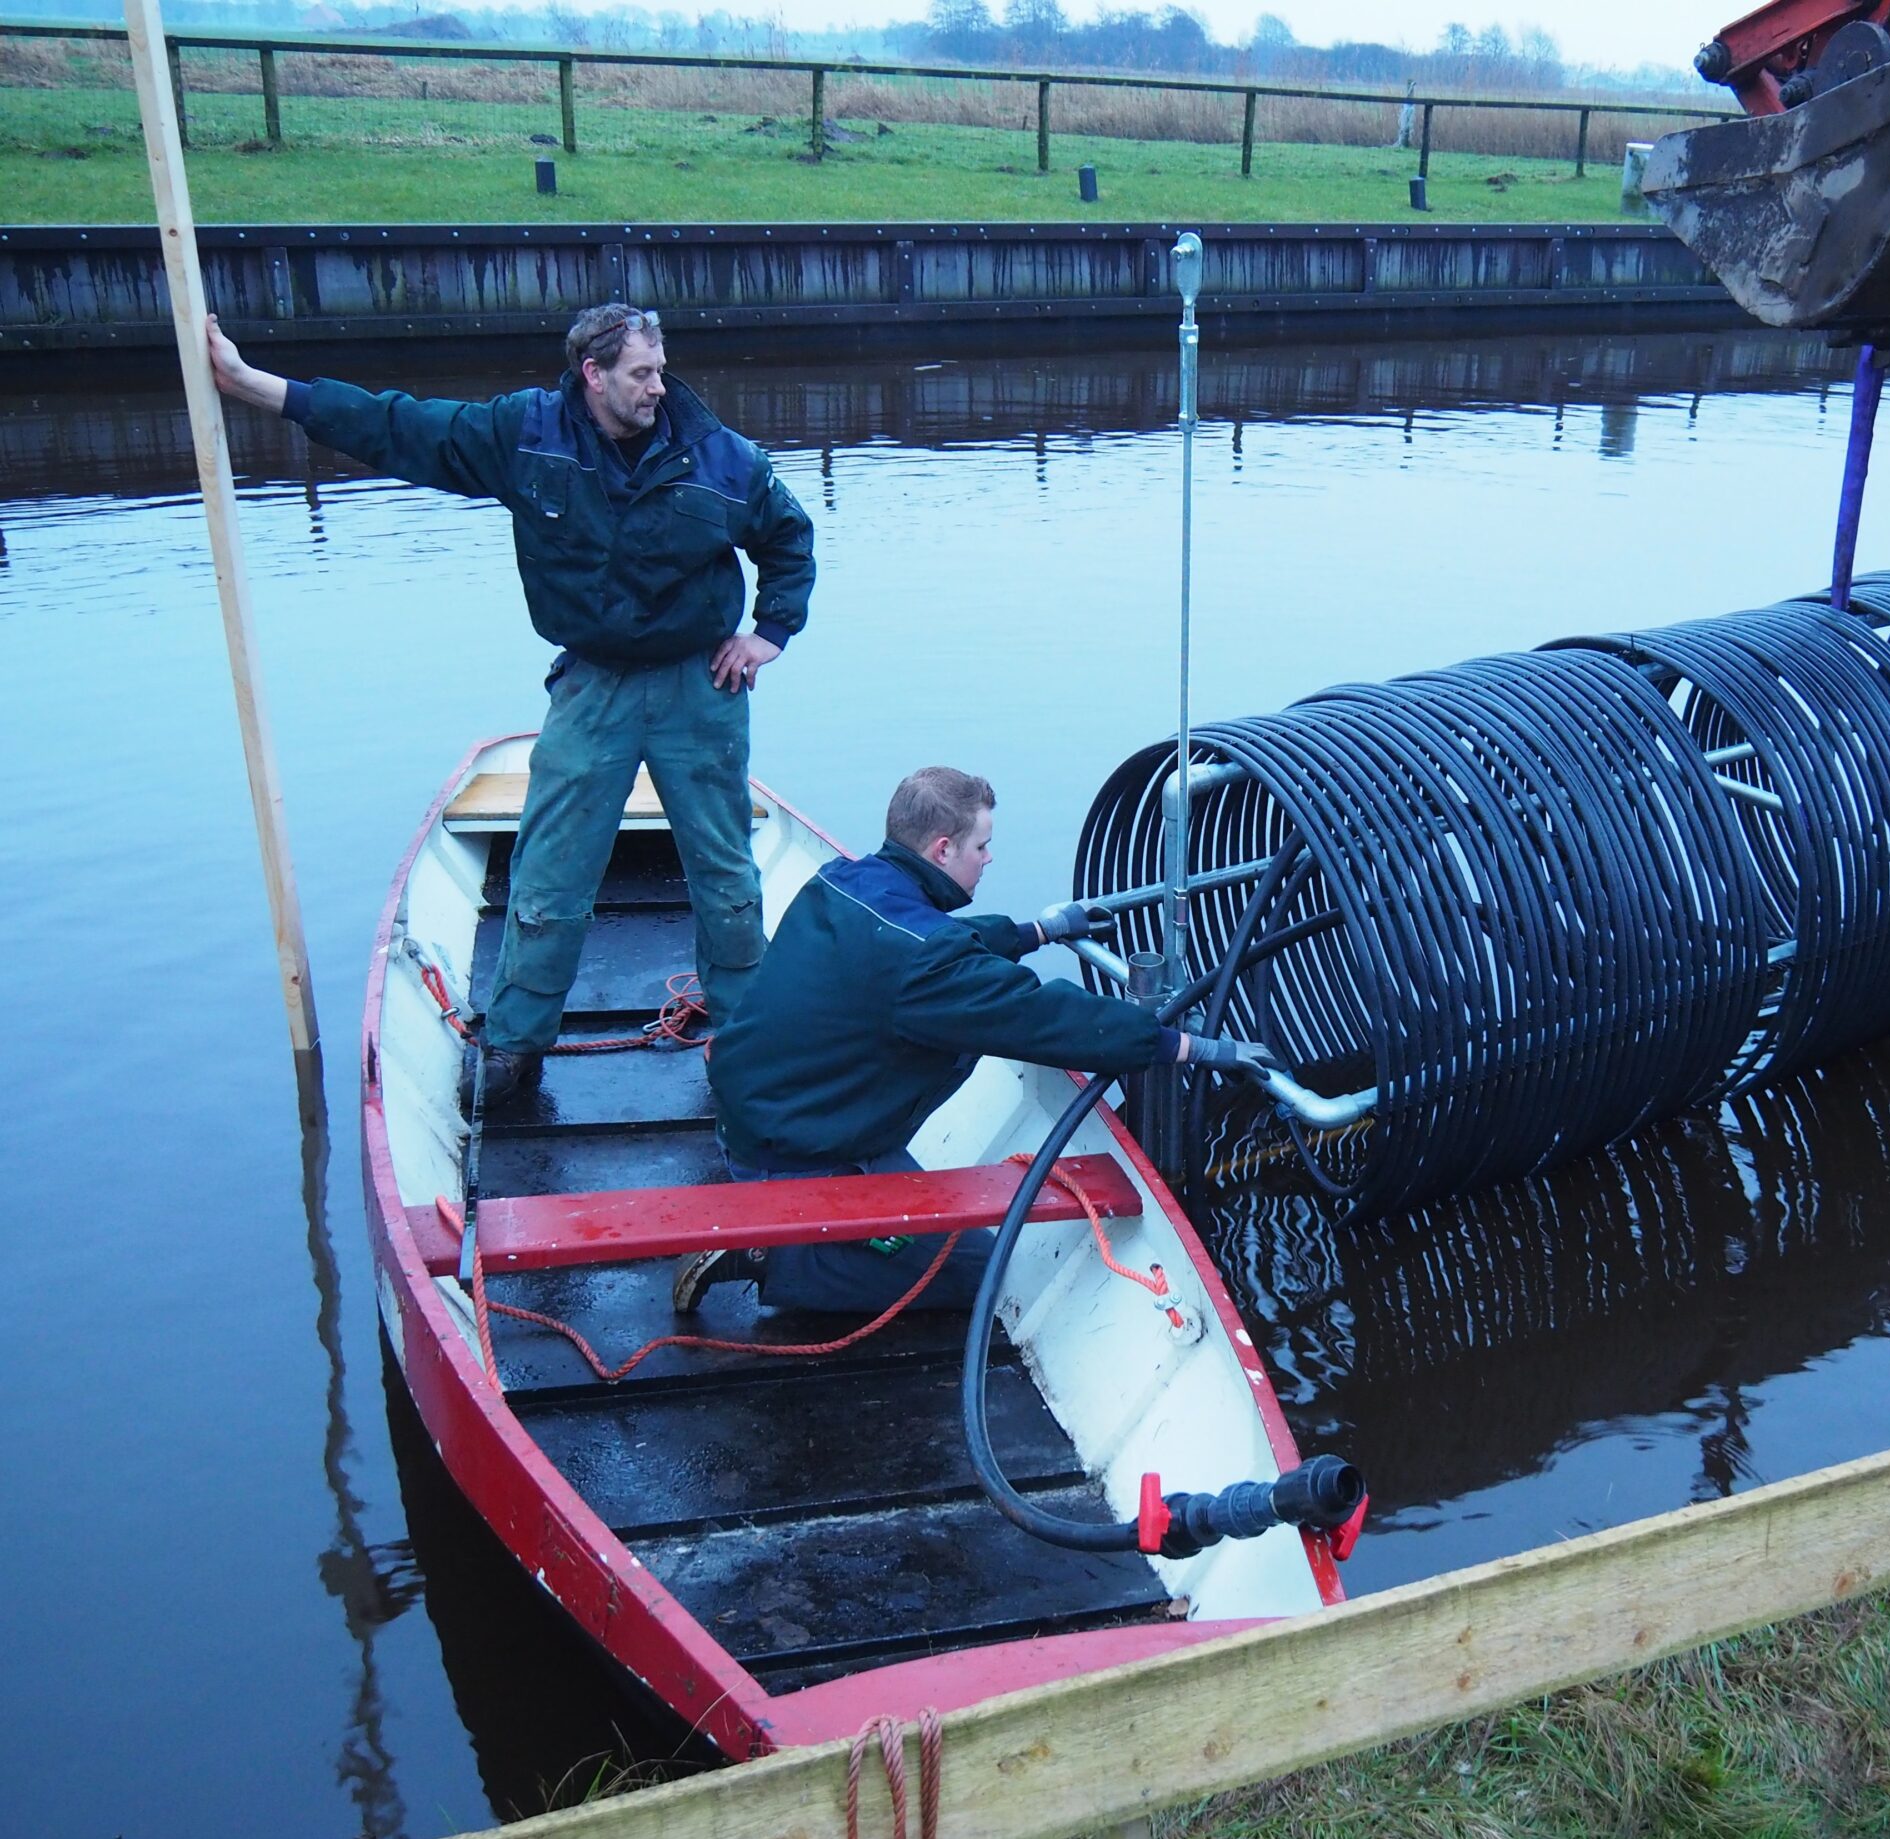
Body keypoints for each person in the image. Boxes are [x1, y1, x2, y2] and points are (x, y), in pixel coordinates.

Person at [205, 303, 816, 1105]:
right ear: (592, 374)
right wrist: (257, 386)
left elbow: (788, 537)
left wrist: (769, 631)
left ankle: (745, 1039)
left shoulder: (719, 456)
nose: (658, 388)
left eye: (661, 370)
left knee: (726, 873)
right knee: (550, 877)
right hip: (592, 687)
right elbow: (399, 428)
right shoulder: (524, 435)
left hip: (699, 688)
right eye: (640, 373)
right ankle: (516, 1050)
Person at [683, 766, 1273, 1315]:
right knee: (977, 1273)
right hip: (797, 1154)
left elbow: (942, 943)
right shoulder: (923, 963)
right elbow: (1039, 1015)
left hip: (772, 1114)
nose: (990, 859)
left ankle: (814, 1224)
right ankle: (772, 1255)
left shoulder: (849, 881)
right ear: (943, 849)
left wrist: (1037, 931)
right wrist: (1190, 1048)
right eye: (981, 847)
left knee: (942, 1244)